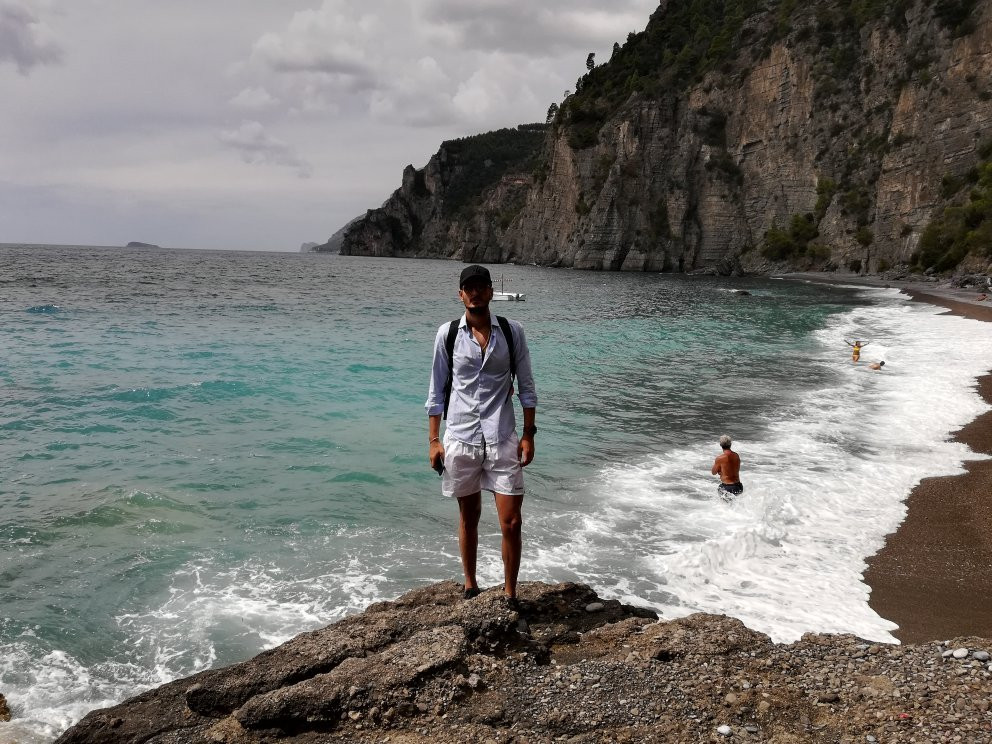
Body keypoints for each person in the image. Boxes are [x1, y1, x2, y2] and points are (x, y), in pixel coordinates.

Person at [426, 265, 537, 604]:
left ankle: (510, 593)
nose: (474, 293)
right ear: (460, 294)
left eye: (480, 287)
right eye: (468, 288)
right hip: (461, 438)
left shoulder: (512, 331)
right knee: (468, 516)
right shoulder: (447, 335)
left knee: (511, 522)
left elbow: (527, 387)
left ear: (490, 292)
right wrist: (434, 440)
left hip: (503, 436)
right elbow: (436, 392)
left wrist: (529, 434)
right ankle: (471, 585)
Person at [711, 435, 743, 500]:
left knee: (726, 508)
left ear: (721, 445)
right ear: (730, 444)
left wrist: (720, 471)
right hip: (738, 486)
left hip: (727, 488)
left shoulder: (719, 458)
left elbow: (713, 472)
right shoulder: (736, 455)